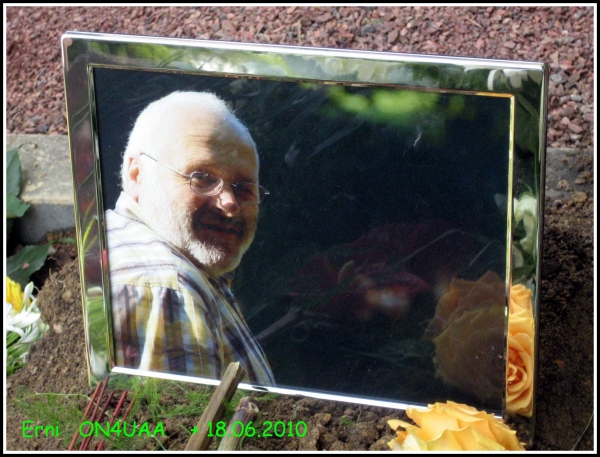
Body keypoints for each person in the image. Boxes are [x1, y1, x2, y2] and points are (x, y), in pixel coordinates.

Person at [105, 91, 274, 385]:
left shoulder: (115, 238)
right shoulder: (166, 289)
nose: (230, 203)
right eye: (202, 178)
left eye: (244, 188)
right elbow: (191, 418)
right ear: (136, 175)